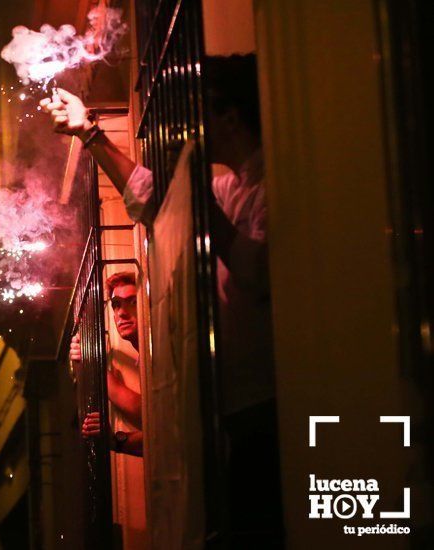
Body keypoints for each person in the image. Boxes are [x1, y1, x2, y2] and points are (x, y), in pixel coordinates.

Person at [44, 55, 282, 544]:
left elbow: (257, 271)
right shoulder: (230, 186)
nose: (192, 124)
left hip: (272, 405)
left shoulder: (272, 186)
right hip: (236, 406)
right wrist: (89, 133)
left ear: (231, 118)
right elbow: (151, 197)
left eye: (203, 110)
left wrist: (197, 201)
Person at [71, 271, 144, 457]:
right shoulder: (143, 356)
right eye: (116, 305)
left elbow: (151, 412)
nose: (121, 312)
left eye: (133, 302)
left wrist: (95, 366)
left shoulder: (160, 348)